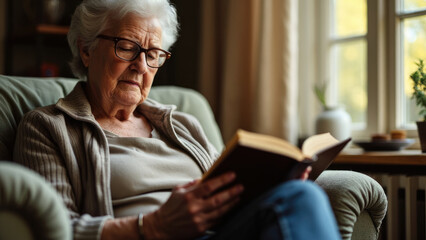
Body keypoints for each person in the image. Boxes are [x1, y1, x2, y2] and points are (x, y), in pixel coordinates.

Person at [13, 0, 341, 239]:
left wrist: (274, 185)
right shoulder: (47, 128)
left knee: (299, 196)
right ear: (86, 50)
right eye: (126, 47)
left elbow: (231, 192)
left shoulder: (182, 125)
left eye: (153, 54)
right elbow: (52, 228)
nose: (141, 66)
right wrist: (154, 226)